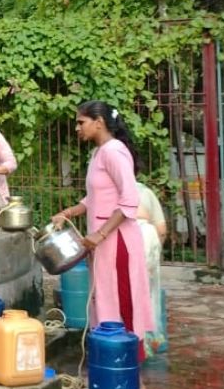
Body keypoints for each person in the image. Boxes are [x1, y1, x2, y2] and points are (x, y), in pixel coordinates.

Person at [51, 101, 161, 365]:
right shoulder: (98, 153)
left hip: (118, 242)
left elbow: (129, 200)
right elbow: (93, 199)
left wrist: (99, 235)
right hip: (101, 243)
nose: (77, 128)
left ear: (99, 122)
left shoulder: (114, 151)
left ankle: (131, 371)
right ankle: (111, 365)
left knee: (123, 303)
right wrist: (69, 212)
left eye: (81, 122)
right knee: (104, 300)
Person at [136, 182, 167, 350]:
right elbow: (162, 229)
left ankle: (132, 341)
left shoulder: (111, 190)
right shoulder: (146, 192)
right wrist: (154, 256)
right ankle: (149, 341)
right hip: (149, 238)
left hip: (128, 238)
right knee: (149, 293)